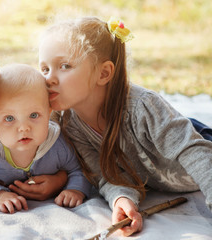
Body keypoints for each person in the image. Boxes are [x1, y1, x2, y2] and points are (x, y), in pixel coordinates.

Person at [33, 16, 212, 236]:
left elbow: (197, 153)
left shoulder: (142, 107)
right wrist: (122, 199)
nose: (49, 78)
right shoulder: (70, 123)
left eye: (64, 66)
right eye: (44, 69)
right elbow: (105, 174)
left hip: (202, 143)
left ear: (104, 73)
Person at [0, 63, 93, 214]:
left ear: (49, 112)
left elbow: (79, 170)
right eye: (9, 118)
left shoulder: (58, 144)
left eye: (34, 115)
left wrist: (75, 189)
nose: (24, 128)